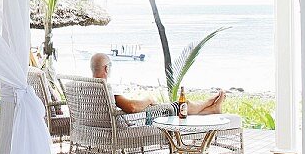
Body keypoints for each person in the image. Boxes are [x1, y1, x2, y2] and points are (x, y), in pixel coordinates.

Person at [89, 52, 225, 116]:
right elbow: (131, 107)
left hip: (103, 127)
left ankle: (213, 109)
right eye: (110, 66)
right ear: (107, 68)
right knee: (182, 106)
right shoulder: (105, 88)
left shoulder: (86, 87)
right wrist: (148, 100)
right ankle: (209, 103)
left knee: (179, 108)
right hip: (138, 120)